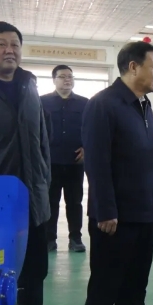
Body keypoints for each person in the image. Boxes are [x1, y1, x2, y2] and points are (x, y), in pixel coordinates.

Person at [79, 41, 153, 305]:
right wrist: (105, 209)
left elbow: (148, 162)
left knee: (135, 288)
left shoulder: (144, 105)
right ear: (133, 67)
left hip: (142, 214)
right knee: (104, 290)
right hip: (113, 219)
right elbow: (96, 162)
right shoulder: (104, 104)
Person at [0, 21, 68, 305]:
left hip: (32, 198)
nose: (10, 50)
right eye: (1, 44)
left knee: (34, 271)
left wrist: (44, 181)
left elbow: (41, 139)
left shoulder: (29, 86)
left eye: (15, 44)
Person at [41, 65, 88, 253]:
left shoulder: (85, 103)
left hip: (75, 162)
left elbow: (92, 129)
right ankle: (49, 239)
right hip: (50, 162)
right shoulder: (42, 102)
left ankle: (75, 238)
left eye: (70, 76)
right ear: (54, 80)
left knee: (75, 202)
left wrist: (86, 147)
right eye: (62, 76)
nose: (67, 79)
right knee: (51, 201)